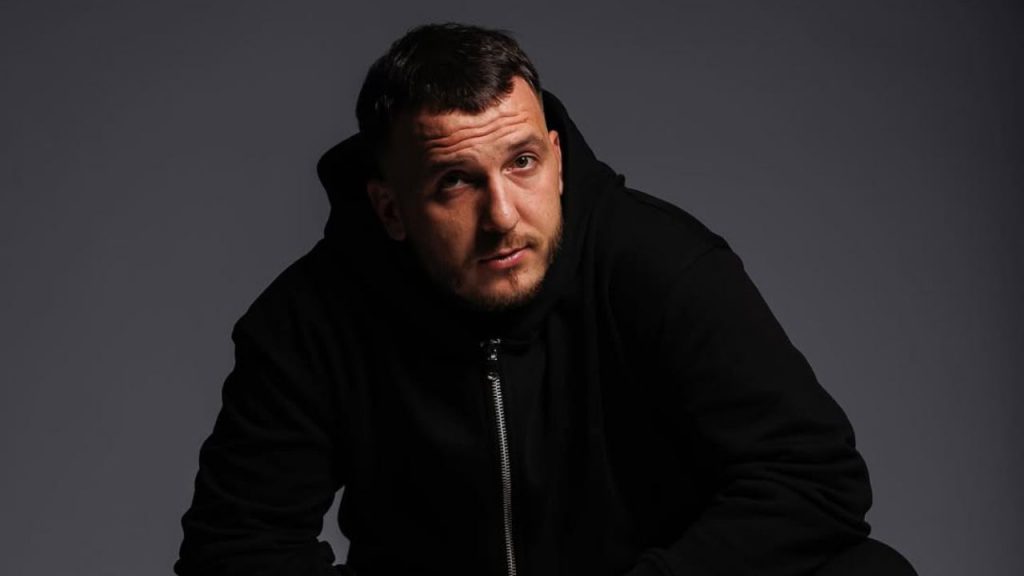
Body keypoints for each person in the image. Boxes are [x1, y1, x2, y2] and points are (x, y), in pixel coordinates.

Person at [175, 23, 915, 576]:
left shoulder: (658, 264)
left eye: (522, 162)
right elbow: (235, 548)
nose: (502, 215)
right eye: (455, 182)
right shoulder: (310, 321)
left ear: (556, 160)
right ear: (390, 209)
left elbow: (812, 477)